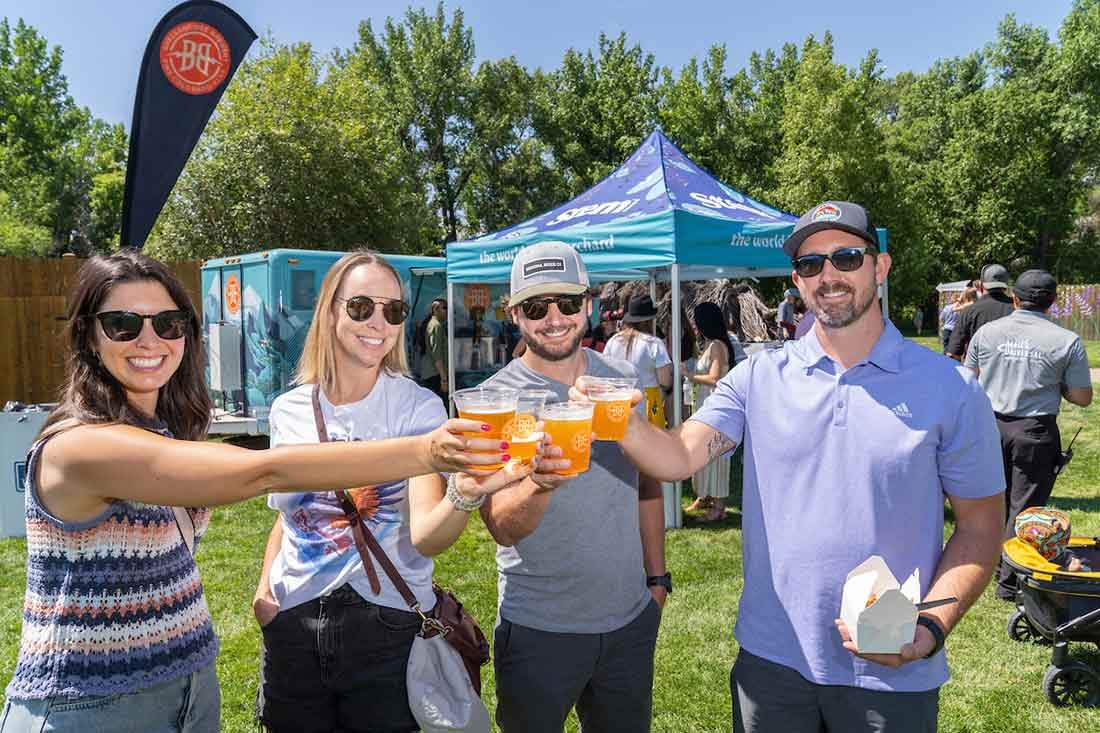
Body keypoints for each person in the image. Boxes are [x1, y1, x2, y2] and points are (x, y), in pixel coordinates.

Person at [0, 251, 500, 733]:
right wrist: (429, 451)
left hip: (188, 684)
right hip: (92, 702)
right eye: (124, 324)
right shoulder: (80, 447)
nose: (149, 339)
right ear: (89, 335)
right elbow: (265, 473)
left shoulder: (162, 432)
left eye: (169, 324)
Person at [575, 201, 1004, 733]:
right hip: (771, 665)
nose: (828, 275)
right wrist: (627, 423)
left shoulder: (951, 389)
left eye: (846, 257)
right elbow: (679, 456)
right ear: (798, 282)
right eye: (809, 265)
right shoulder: (758, 379)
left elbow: (981, 528)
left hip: (889, 668)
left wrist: (932, 625)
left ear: (880, 266)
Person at [251, 250, 535, 732]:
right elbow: (289, 514)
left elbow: (427, 536)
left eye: (394, 310)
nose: (378, 322)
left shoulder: (418, 408)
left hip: (385, 627)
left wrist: (462, 493)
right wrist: (265, 595)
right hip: (293, 624)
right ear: (331, 311)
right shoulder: (289, 410)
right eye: (361, 306)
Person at [479, 242, 666, 733]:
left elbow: (647, 485)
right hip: (539, 629)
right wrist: (540, 484)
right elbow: (501, 526)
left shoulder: (621, 381)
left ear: (589, 303)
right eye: (537, 307)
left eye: (566, 302)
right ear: (516, 313)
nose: (554, 318)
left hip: (629, 623)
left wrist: (657, 581)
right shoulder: (496, 401)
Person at [963, 269, 1093, 601]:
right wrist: (1055, 382)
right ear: (1052, 302)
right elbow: (1082, 397)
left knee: (992, 502)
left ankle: (988, 569)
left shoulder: (988, 332)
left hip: (988, 425)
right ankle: (1008, 584)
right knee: (1026, 509)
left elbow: (967, 381)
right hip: (1034, 431)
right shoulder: (1067, 340)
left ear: (1015, 299)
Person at [687, 302, 734, 522]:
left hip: (715, 406)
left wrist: (688, 375)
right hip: (705, 404)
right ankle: (704, 495)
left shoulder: (717, 345)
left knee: (715, 454)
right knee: (703, 451)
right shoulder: (710, 344)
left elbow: (714, 378)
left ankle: (719, 506)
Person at [603, 294, 673, 427]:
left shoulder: (613, 341)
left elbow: (605, 372)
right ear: (650, 319)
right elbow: (665, 381)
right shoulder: (654, 343)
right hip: (648, 400)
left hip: (619, 399)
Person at [945, 265, 1014, 361]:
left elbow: (953, 353)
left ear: (981, 285)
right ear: (1006, 285)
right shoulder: (1017, 309)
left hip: (978, 372)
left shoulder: (969, 311)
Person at [417, 297, 449, 403]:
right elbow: (437, 355)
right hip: (434, 375)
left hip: (431, 373)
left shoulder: (432, 324)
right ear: (435, 310)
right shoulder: (436, 326)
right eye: (445, 308)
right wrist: (444, 379)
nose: (447, 311)